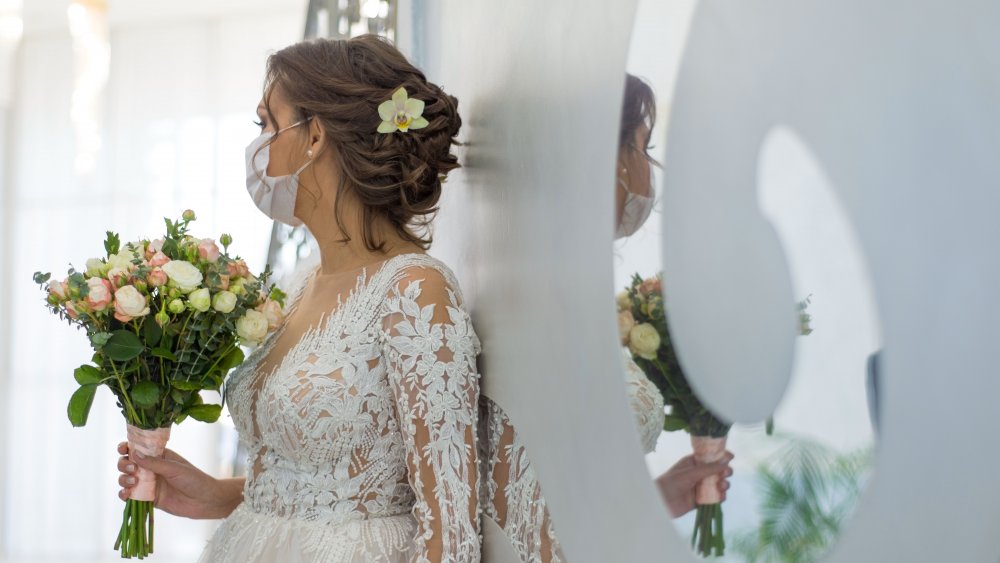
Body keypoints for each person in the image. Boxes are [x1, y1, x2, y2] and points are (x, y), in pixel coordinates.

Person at [116, 34, 480, 562]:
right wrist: (215, 493)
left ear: (314, 137)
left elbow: (450, 534)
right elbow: (318, 479)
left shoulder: (415, 291)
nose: (259, 145)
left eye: (267, 123)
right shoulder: (296, 284)